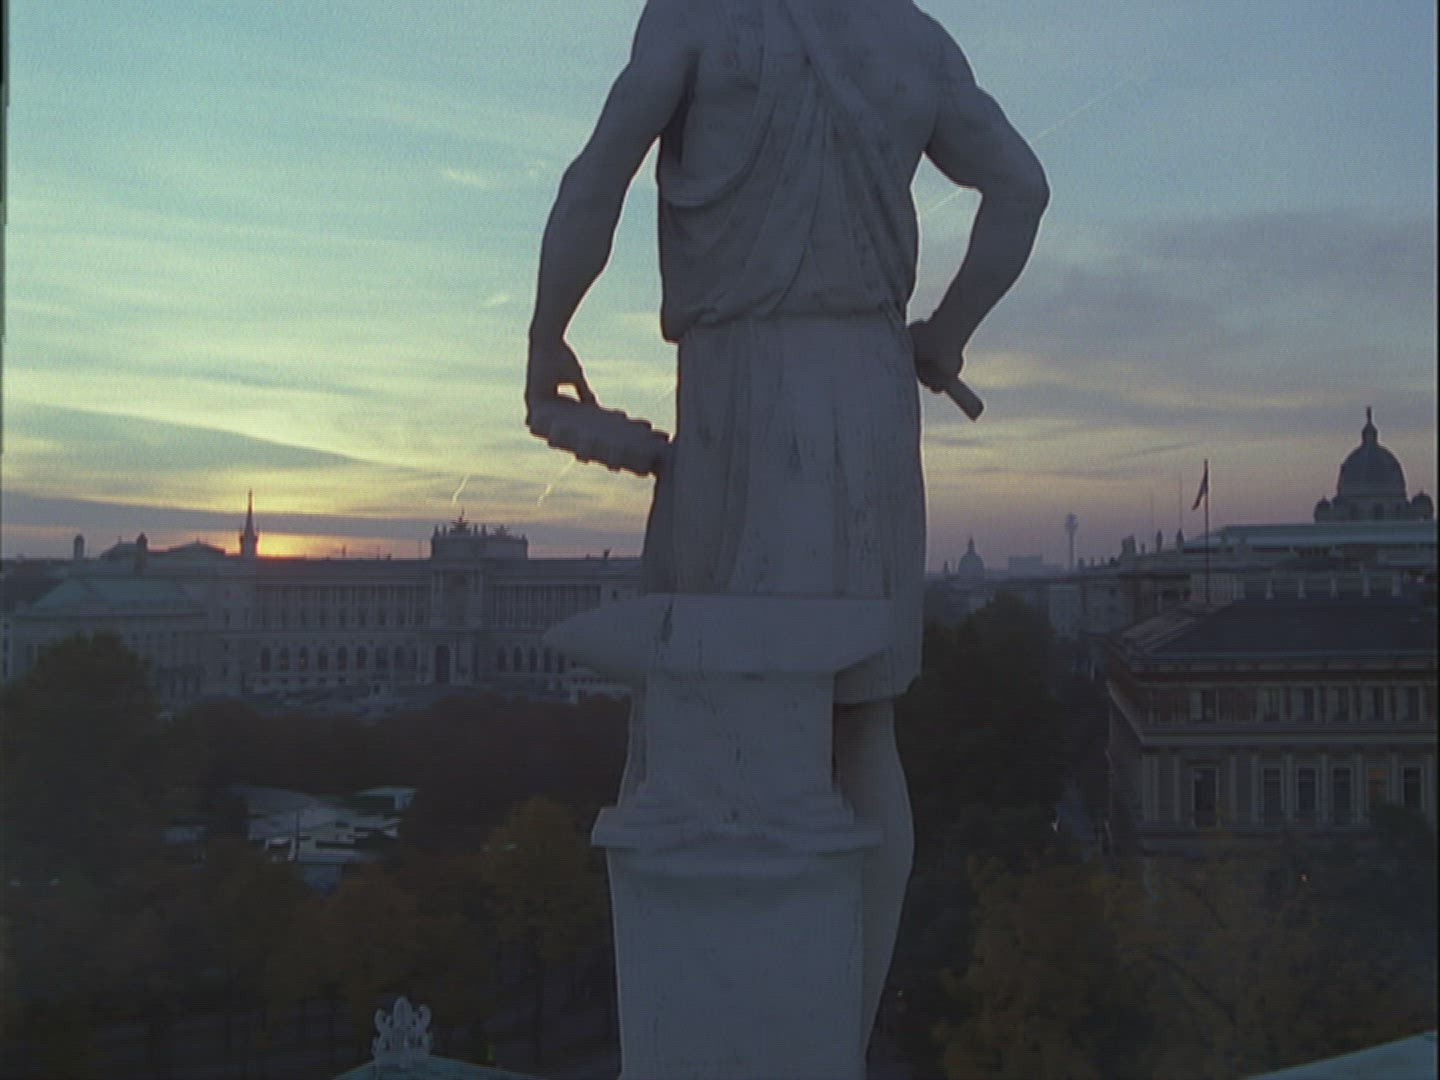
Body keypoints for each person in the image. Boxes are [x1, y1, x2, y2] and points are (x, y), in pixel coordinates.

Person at [525, 0, 1047, 1046]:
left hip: (738, 395)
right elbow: (1021, 189)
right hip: (871, 392)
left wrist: (547, 335)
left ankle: (695, 1034)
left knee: (687, 714)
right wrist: (946, 333)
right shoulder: (909, 36)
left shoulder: (694, 15)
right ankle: (835, 1036)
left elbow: (599, 175)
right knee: (862, 727)